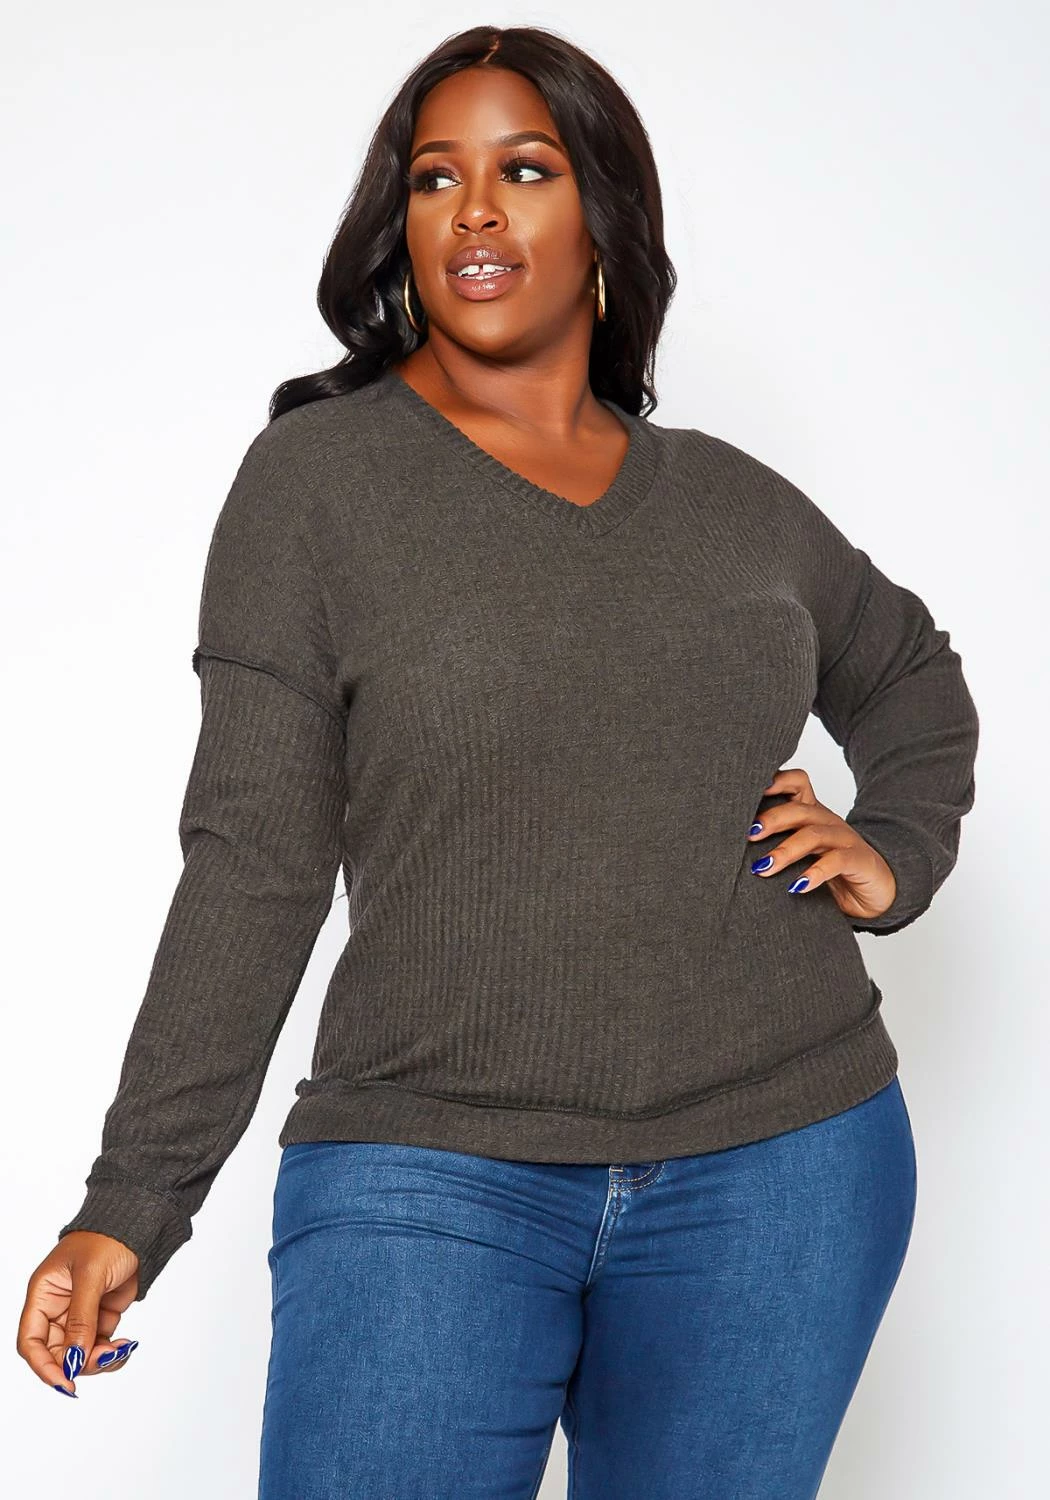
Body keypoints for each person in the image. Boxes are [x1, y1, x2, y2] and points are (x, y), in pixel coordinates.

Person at [18, 23, 979, 1499]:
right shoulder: (317, 485)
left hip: (784, 1162)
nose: (473, 210)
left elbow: (908, 671)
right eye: (433, 177)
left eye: (524, 170)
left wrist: (894, 847)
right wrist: (133, 1199)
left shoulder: (728, 503)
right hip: (427, 1171)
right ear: (399, 223)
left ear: (601, 212)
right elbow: (253, 865)